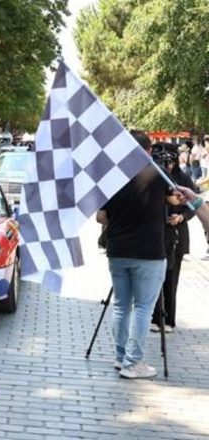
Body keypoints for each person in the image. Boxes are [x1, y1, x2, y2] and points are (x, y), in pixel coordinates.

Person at [95, 130, 167, 379]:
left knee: (121, 306)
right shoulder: (157, 174)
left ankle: (120, 356)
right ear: (147, 151)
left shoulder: (111, 177)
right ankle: (133, 363)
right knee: (143, 308)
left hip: (117, 251)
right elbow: (177, 199)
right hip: (148, 252)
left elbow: (100, 217)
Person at [152, 144, 197, 333]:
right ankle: (153, 317)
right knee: (154, 278)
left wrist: (181, 217)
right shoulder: (153, 177)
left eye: (170, 162)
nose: (167, 166)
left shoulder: (183, 178)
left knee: (171, 278)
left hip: (176, 234)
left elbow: (193, 206)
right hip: (155, 234)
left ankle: (169, 318)